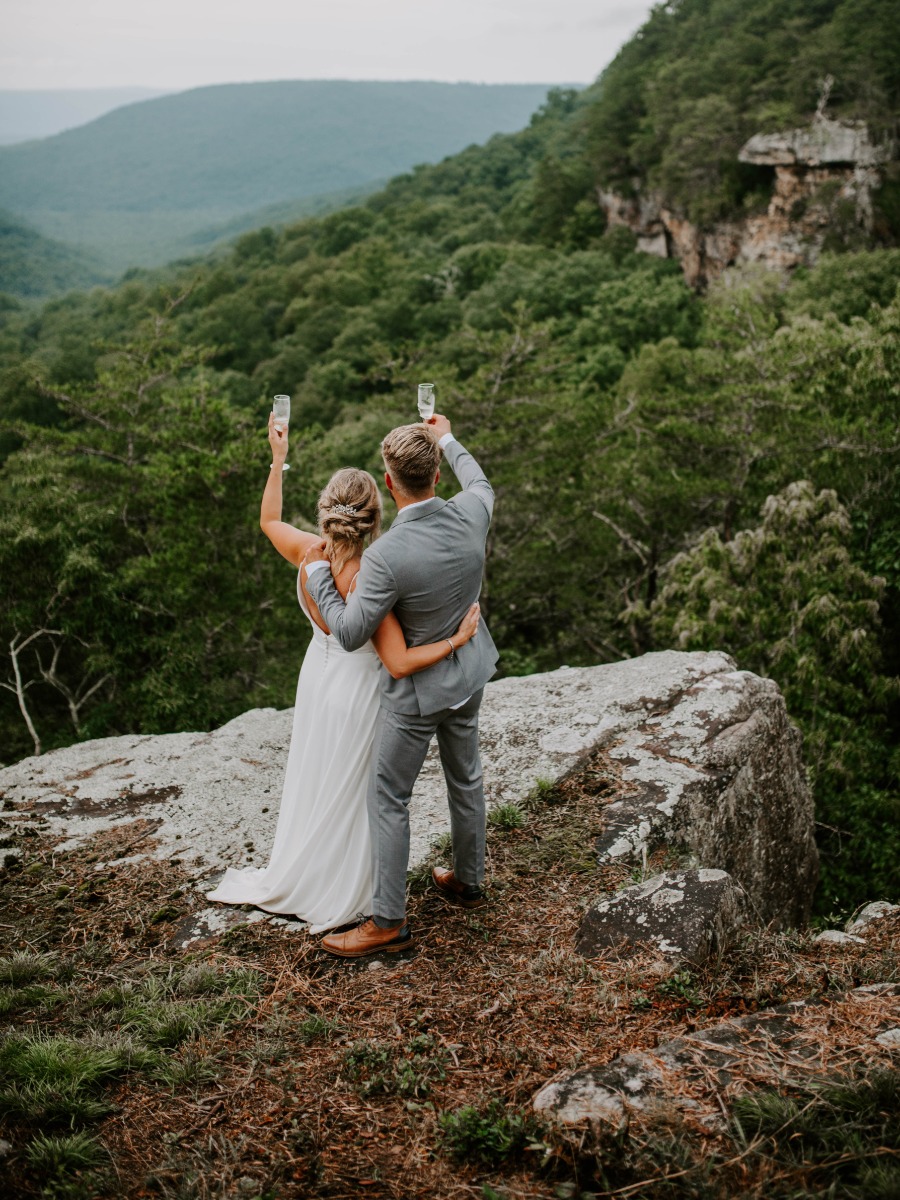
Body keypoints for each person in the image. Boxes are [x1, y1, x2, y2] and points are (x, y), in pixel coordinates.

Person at [206, 414, 480, 933]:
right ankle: (356, 887)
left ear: (328, 515)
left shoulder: (308, 552)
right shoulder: (378, 573)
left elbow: (268, 519)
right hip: (359, 694)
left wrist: (278, 459)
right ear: (378, 513)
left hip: (317, 682)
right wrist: (455, 640)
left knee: (316, 774)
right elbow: (396, 659)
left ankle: (306, 868)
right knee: (363, 791)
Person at [304, 413, 498, 957]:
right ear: (437, 474)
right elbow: (480, 479)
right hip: (469, 676)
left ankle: (387, 922)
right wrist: (448, 436)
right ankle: (469, 879)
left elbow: (348, 633)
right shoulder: (473, 510)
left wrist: (319, 574)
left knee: (389, 795)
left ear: (390, 483)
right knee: (466, 777)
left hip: (415, 697)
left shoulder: (384, 556)